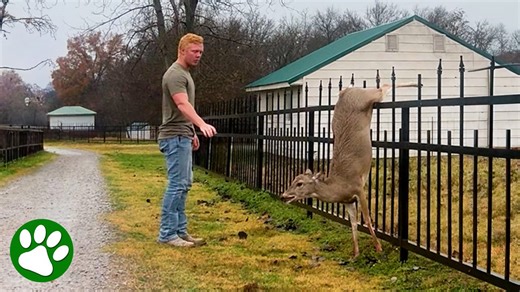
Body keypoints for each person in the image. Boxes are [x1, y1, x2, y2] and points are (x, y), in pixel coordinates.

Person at [157, 33, 217, 247]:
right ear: (182, 50)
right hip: (173, 137)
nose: (198, 55)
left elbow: (184, 109)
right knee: (176, 185)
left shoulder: (185, 74)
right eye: (194, 51)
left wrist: (191, 131)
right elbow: (182, 105)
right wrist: (201, 125)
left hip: (182, 135)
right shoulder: (175, 75)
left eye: (201, 51)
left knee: (184, 184)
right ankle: (167, 234)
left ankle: (180, 231)